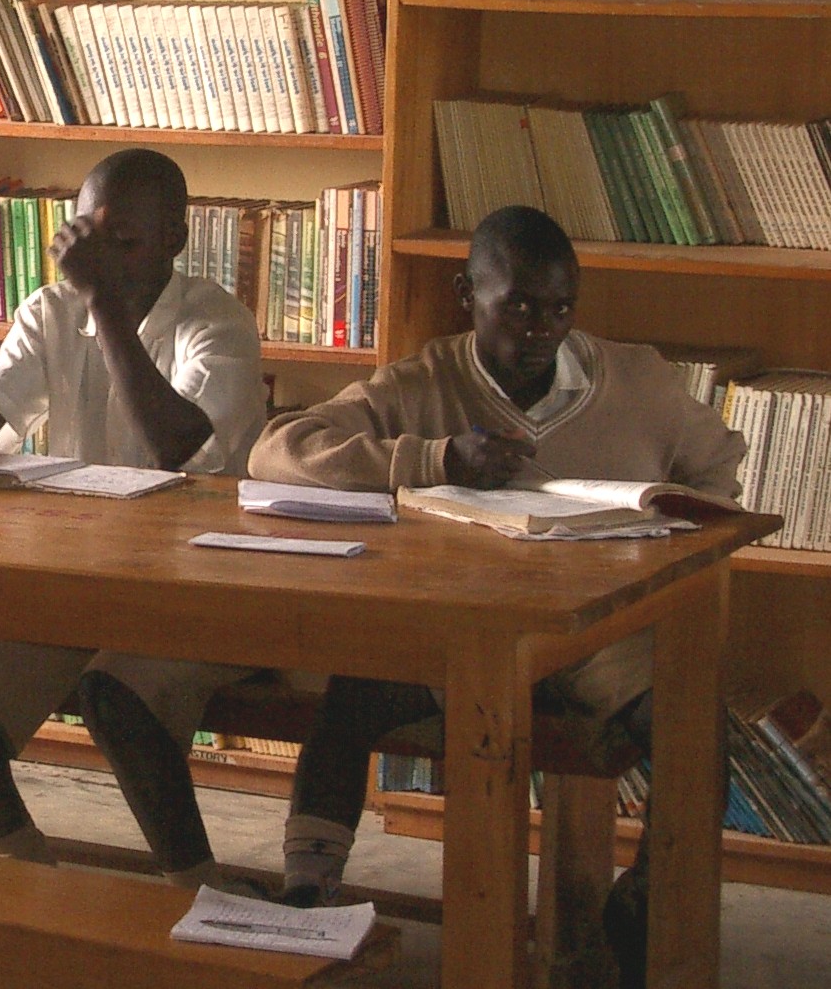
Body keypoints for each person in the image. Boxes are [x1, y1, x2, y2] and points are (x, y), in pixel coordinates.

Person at [248, 205, 744, 986]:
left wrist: (662, 538)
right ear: (465, 293)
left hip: (598, 629)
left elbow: (716, 470)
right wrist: (432, 456)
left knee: (689, 711)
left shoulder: (636, 378)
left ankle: (649, 892)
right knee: (349, 694)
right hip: (465, 626)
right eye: (515, 304)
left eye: (559, 306)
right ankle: (308, 892)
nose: (540, 326)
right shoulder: (419, 385)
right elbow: (279, 450)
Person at [0, 148, 265, 873]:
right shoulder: (51, 309)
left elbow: (175, 442)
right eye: (86, 236)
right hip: (83, 576)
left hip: (196, 588)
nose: (100, 257)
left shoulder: (216, 323)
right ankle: (24, 864)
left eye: (124, 241)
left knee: (113, 693)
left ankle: (193, 885)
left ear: (175, 239)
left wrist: (103, 301)